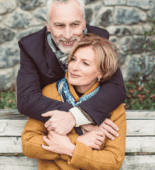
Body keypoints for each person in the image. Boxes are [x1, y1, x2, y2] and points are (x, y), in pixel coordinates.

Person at [17, 0, 126, 138]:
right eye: (59, 25)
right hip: (50, 128)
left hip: (96, 132)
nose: (68, 35)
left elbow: (116, 87)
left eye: (74, 24)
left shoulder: (100, 38)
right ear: (48, 25)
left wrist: (76, 117)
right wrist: (80, 116)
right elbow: (26, 99)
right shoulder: (30, 46)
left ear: (84, 23)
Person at [22, 33, 126, 170]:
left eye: (85, 63)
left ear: (101, 72)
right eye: (73, 59)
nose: (74, 67)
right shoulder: (50, 93)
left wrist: (71, 149)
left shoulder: (112, 106)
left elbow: (113, 161)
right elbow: (28, 144)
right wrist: (77, 141)